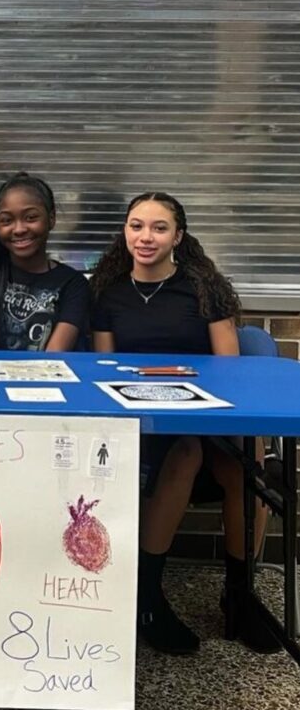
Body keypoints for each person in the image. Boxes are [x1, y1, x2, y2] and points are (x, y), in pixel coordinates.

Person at [90, 191, 279, 655]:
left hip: (203, 413)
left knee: (246, 462)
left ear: (178, 235)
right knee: (185, 452)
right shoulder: (107, 293)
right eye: (136, 226)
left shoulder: (204, 287)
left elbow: (229, 369)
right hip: (144, 422)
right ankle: (149, 599)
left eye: (158, 228)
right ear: (125, 232)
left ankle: (240, 596)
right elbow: (103, 370)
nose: (145, 237)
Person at [0, 172, 89, 351]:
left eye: (30, 217)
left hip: (46, 377)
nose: (19, 229)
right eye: (7, 220)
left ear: (51, 218)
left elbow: (54, 358)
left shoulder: (73, 284)